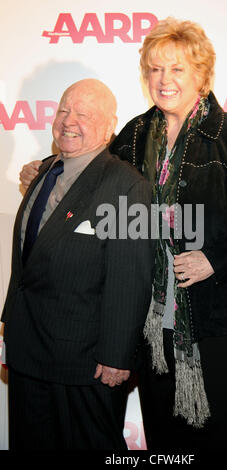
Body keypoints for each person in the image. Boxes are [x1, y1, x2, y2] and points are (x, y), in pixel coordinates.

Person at [20, 18, 227, 451]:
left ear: (202, 74)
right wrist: (50, 170)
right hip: (151, 324)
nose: (164, 80)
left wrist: (212, 259)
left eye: (177, 69)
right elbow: (94, 175)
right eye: (155, 69)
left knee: (219, 438)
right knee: (165, 442)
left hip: (217, 322)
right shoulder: (136, 133)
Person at [2, 78, 153, 450]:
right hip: (27, 354)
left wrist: (117, 355)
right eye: (64, 110)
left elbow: (131, 277)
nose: (70, 120)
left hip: (84, 365)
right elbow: (27, 261)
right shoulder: (45, 172)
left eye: (84, 114)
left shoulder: (128, 185)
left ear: (108, 127)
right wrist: (9, 326)